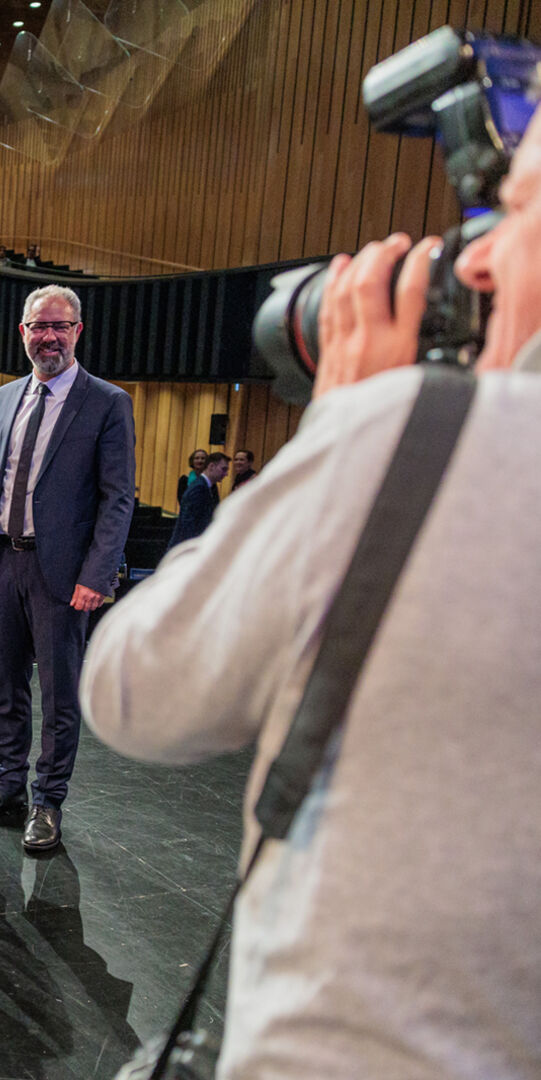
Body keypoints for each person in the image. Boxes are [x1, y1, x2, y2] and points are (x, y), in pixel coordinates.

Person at [78, 108, 541, 1074]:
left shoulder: (420, 438)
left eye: (516, 208)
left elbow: (132, 692)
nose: (479, 259)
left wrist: (350, 422)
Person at [0, 284, 135, 851]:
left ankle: (48, 801)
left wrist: (97, 575)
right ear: (23, 332)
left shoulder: (107, 402)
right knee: (5, 689)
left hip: (63, 574)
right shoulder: (5, 397)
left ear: (78, 331)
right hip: (2, 564)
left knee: (58, 697)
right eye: (39, 326)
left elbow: (117, 498)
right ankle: (9, 788)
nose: (49, 336)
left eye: (60, 326)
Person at [166, 450, 228, 551]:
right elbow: (189, 522)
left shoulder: (203, 486)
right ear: (211, 466)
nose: (226, 474)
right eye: (223, 469)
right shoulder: (199, 488)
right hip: (187, 548)